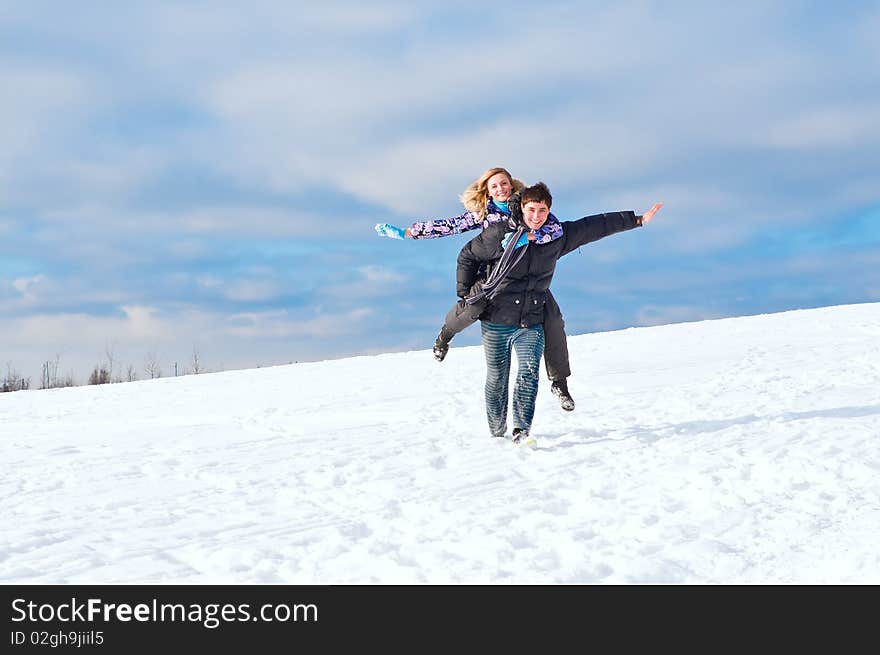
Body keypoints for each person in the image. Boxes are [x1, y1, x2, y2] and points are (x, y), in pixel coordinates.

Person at [458, 181, 662, 445]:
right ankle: (496, 433)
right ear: (522, 207)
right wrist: (465, 291)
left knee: (528, 373)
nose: (536, 216)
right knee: (497, 378)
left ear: (548, 210)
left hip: (530, 320)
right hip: (496, 319)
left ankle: (521, 430)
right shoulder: (501, 233)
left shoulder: (556, 236)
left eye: (542, 210)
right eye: (531, 209)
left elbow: (593, 226)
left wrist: (637, 220)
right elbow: (468, 255)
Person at [374, 167, 577, 411]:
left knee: (553, 319)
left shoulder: (529, 205)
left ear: (511, 185)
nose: (501, 188)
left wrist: (530, 238)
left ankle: (559, 382)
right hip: (495, 276)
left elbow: (555, 228)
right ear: (488, 192)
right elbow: (447, 226)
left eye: (504, 183)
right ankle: (445, 335)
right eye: (494, 186)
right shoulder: (483, 213)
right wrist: (408, 232)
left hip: (530, 279)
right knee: (472, 308)